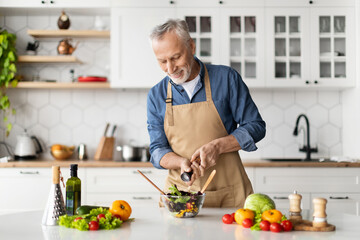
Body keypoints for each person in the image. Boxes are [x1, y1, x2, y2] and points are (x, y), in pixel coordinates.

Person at [147, 19, 266, 208]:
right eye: (162, 61)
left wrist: (218, 146)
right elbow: (157, 150)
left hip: (230, 194)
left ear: (191, 46)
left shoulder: (226, 78)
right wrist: (181, 162)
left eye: (176, 57)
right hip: (181, 197)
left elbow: (256, 127)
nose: (170, 69)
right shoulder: (156, 95)